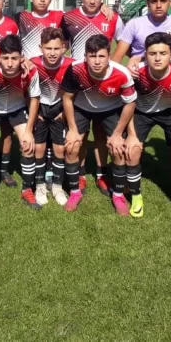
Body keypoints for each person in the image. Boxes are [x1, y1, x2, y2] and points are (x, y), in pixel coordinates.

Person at [124, 33, 171, 221]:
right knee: (132, 150)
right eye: (152, 53)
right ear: (146, 54)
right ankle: (136, 196)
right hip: (142, 113)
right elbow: (128, 103)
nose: (157, 58)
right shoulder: (136, 72)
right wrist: (132, 135)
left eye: (162, 53)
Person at [62, 0, 124, 195]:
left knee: (101, 132)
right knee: (80, 133)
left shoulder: (113, 18)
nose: (92, 1)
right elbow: (60, 47)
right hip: (79, 81)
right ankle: (78, 174)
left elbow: (123, 42)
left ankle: (101, 173)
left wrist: (112, 68)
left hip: (105, 83)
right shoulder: (68, 18)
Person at [61, 35, 137, 213]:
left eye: (101, 56)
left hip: (111, 108)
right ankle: (74, 192)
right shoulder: (75, 69)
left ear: (109, 56)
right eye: (92, 56)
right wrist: (72, 129)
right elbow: (67, 98)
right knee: (72, 146)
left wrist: (118, 134)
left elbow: (130, 103)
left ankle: (118, 195)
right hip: (82, 107)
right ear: (85, 56)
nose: (96, 61)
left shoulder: (122, 74)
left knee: (118, 149)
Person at [0, 35, 41, 210]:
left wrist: (28, 130)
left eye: (14, 58)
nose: (10, 63)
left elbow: (34, 99)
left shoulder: (31, 71)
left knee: (27, 144)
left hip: (17, 109)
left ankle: (27, 189)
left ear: (22, 57)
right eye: (5, 58)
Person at [30, 27, 73, 206]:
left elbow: (75, 93)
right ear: (41, 48)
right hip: (40, 109)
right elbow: (28, 92)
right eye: (48, 48)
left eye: (57, 48)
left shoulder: (71, 64)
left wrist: (64, 112)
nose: (53, 53)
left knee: (59, 150)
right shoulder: (32, 63)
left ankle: (57, 186)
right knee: (38, 149)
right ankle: (40, 185)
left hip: (59, 109)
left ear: (64, 47)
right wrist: (33, 113)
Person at [111, 0, 171, 75]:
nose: (158, 5)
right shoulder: (134, 24)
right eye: (154, 1)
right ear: (148, 3)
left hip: (168, 77)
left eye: (163, 1)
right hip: (139, 75)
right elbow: (117, 57)